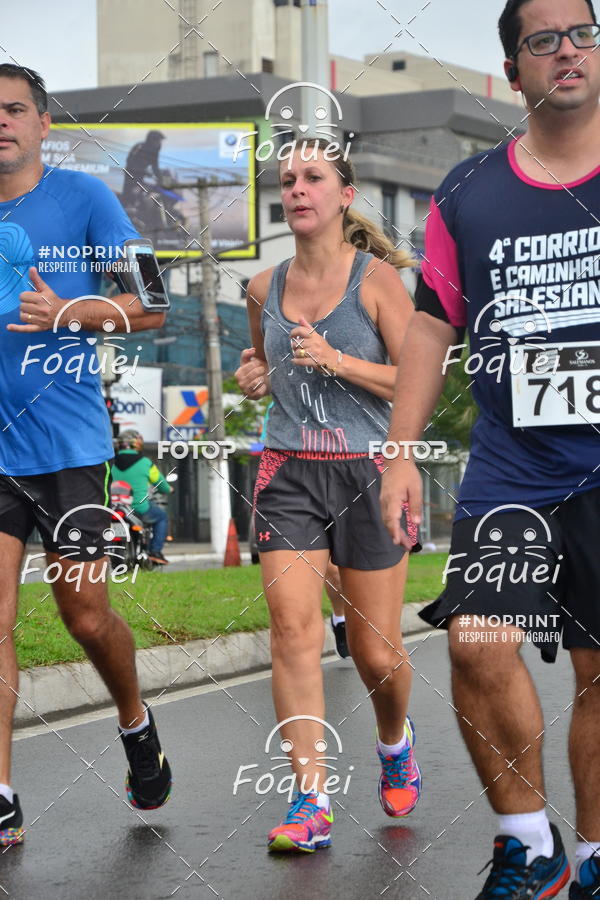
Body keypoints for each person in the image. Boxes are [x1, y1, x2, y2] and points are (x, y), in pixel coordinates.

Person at [380, 1, 600, 896]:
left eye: (583, 33)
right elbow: (433, 327)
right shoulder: (467, 192)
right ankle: (527, 841)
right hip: (513, 466)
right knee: (476, 642)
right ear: (514, 71)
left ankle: (594, 857)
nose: (567, 51)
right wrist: (399, 452)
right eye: (543, 41)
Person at [0, 64, 172, 844]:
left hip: (69, 448)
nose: (1, 122)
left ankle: (134, 721)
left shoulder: (88, 199)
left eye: (14, 109)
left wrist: (69, 309)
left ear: (42, 124)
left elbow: (154, 304)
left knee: (86, 616)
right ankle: (2, 795)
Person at [235, 137, 420, 853]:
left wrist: (339, 359)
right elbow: (265, 367)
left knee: (376, 655)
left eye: (312, 178)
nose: (296, 190)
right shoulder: (262, 287)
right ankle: (310, 799)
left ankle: (394, 739)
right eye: (287, 180)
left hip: (370, 471)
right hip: (288, 471)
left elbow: (415, 379)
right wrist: (256, 375)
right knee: (292, 632)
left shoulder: (377, 282)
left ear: (345, 196)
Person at [112, 430, 173, 565]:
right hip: (138, 507)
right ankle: (155, 552)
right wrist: (169, 489)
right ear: (137, 444)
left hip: (113, 508)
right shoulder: (145, 463)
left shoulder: (110, 462)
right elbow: (161, 485)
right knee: (162, 517)